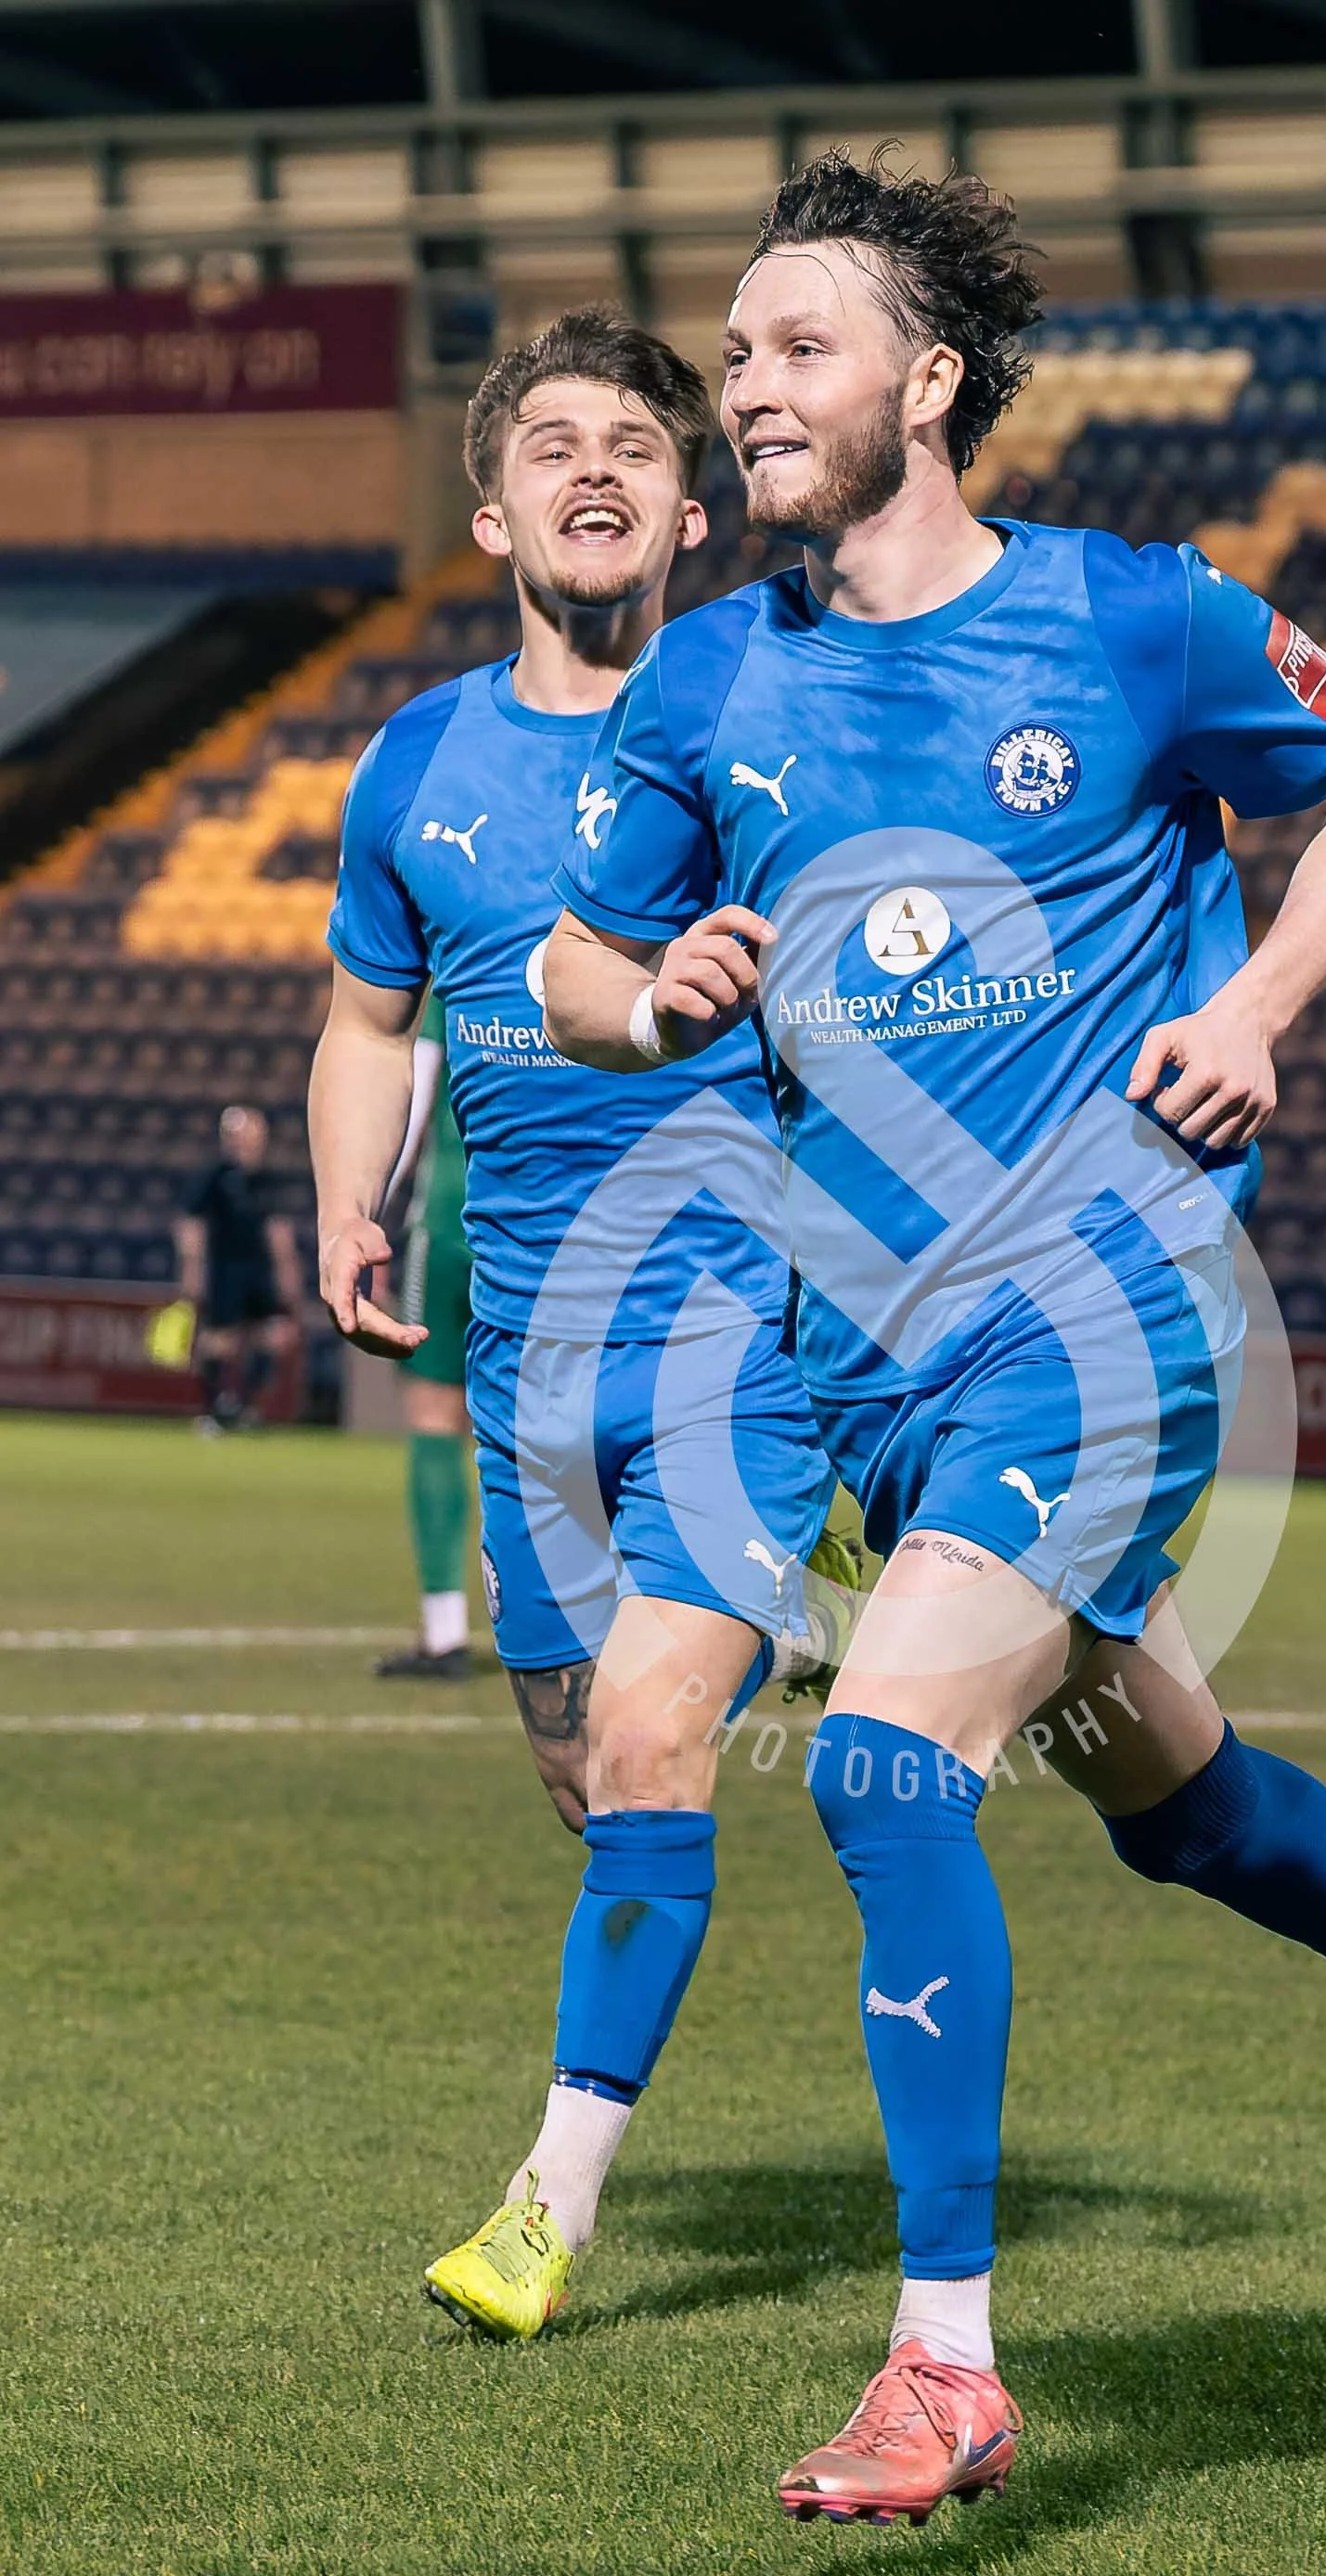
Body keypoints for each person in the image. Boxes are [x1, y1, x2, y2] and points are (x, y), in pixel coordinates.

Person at [542, 155, 1326, 2524]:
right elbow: (582, 966)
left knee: (882, 1763)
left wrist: (1253, 1000)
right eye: (731, 349)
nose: (746, 384)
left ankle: (942, 2362)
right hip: (855, 1353)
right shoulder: (713, 671)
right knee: (1158, 1794)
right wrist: (647, 997)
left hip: (1097, 1316)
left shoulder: (1128, 621)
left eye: (796, 343)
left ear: (927, 381)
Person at [308, 305, 843, 2342]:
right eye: (554, 442)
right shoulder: (416, 759)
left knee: (642, 1736)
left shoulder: (787, 717)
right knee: (583, 1772)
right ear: (493, 504)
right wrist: (351, 1194)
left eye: (636, 438)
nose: (596, 465)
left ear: (695, 510)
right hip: (527, 1356)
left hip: (744, 1331)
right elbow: (367, 1020)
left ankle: (545, 2206)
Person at [375, 992, 476, 1681]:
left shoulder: (456, 975)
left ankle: (445, 1630)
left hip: (445, 1224)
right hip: (545, 1229)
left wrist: (370, 1215)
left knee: (435, 1415)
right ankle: (561, 1624)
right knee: (539, 1430)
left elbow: (407, 1110)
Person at [176, 1102, 302, 1434]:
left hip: (259, 1271)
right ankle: (212, 1410)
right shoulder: (214, 1176)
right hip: (225, 1268)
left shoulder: (267, 1180)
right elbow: (191, 1224)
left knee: (270, 1338)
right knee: (220, 1339)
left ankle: (243, 1407)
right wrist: (192, 1268)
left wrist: (287, 1272)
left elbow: (279, 1231)